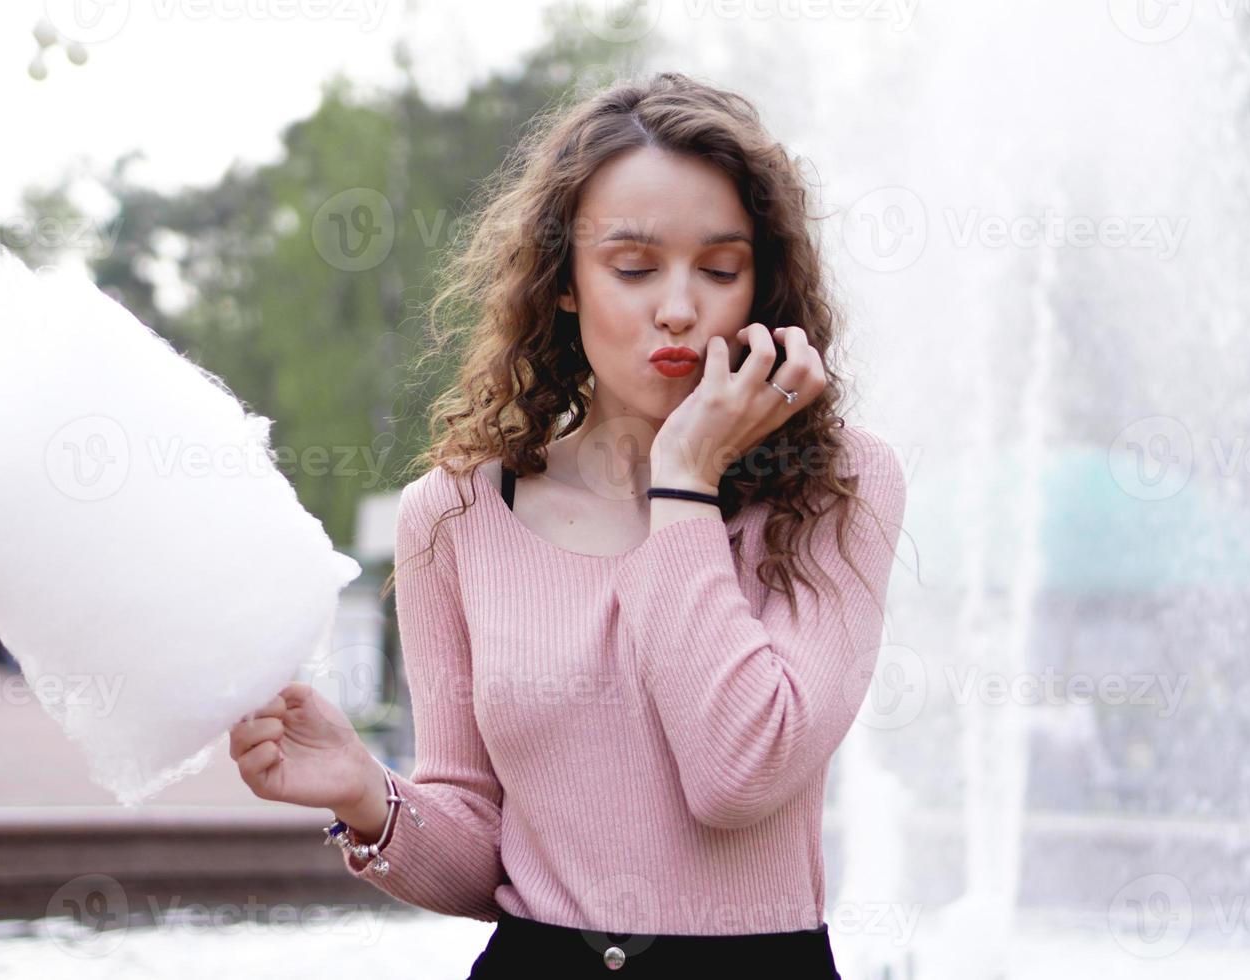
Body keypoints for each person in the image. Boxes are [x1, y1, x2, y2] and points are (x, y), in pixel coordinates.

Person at [228, 72, 908, 977]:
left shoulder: (841, 486)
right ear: (564, 284)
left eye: (719, 267)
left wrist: (684, 484)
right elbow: (485, 857)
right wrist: (367, 794)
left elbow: (739, 773)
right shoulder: (460, 513)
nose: (678, 305)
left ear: (762, 285)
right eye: (632, 267)